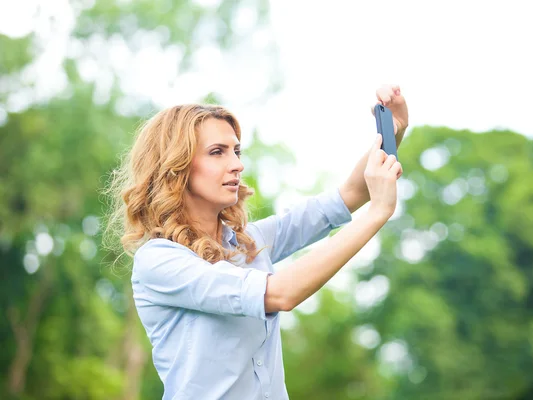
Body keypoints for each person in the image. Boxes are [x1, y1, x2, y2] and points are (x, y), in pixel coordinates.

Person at [106, 84, 408, 399]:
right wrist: (378, 213)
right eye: (217, 152)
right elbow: (280, 294)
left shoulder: (249, 243)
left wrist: (392, 134)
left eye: (236, 151)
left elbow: (348, 196)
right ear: (175, 167)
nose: (237, 164)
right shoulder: (159, 261)